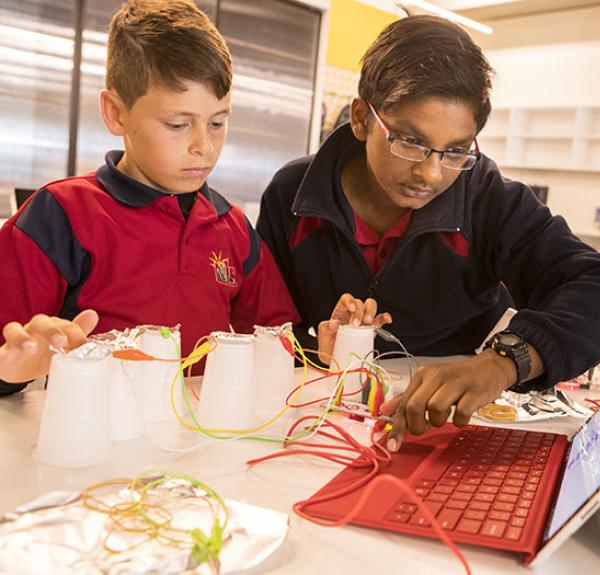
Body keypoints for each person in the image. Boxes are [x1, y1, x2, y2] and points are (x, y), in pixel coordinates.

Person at [256, 14, 600, 452]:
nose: (430, 171)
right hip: (317, 425)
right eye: (409, 141)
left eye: (457, 150)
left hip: (447, 432)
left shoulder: (486, 197)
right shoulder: (293, 194)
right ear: (362, 117)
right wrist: (316, 349)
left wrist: (500, 363)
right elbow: (263, 330)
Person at [0, 0, 387, 394]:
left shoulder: (231, 227)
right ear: (116, 113)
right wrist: (9, 371)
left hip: (201, 447)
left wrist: (322, 346)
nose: (204, 145)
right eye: (178, 124)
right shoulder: (60, 215)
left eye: (218, 122)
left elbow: (278, 341)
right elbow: (11, 351)